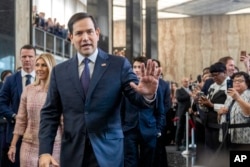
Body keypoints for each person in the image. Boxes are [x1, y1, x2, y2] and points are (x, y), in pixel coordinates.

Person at [38, 12, 161, 167]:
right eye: (79, 33)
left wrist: (148, 95)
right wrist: (44, 151)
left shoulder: (118, 64)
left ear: (97, 33)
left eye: (89, 31)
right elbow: (50, 113)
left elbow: (136, 98)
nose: (85, 38)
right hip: (73, 152)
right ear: (70, 37)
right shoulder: (59, 71)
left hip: (108, 152)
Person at [7, 53, 62, 167]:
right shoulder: (28, 90)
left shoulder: (59, 91)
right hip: (28, 144)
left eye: (44, 65)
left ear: (50, 67)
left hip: (54, 146)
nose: (39, 69)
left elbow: (64, 122)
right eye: (37, 65)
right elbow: (21, 120)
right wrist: (13, 145)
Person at [120, 56, 165, 167]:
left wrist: (158, 129)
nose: (136, 69)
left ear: (146, 68)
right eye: (134, 67)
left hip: (149, 129)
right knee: (130, 162)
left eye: (139, 67)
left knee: (148, 162)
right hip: (129, 129)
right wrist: (121, 127)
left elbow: (160, 111)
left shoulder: (155, 86)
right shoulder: (127, 86)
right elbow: (121, 109)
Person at [0, 44, 36, 167]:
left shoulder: (44, 78)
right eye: (24, 56)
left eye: (30, 56)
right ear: (20, 58)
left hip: (37, 134)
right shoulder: (10, 80)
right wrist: (14, 116)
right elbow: (1, 103)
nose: (27, 59)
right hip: (16, 134)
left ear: (35, 58)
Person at [175, 77, 192, 151]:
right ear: (182, 82)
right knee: (180, 128)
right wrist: (189, 95)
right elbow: (179, 98)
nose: (187, 82)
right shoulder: (179, 90)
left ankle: (186, 143)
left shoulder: (191, 89)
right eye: (185, 81)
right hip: (182, 111)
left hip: (189, 111)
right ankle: (178, 144)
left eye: (188, 81)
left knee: (187, 128)